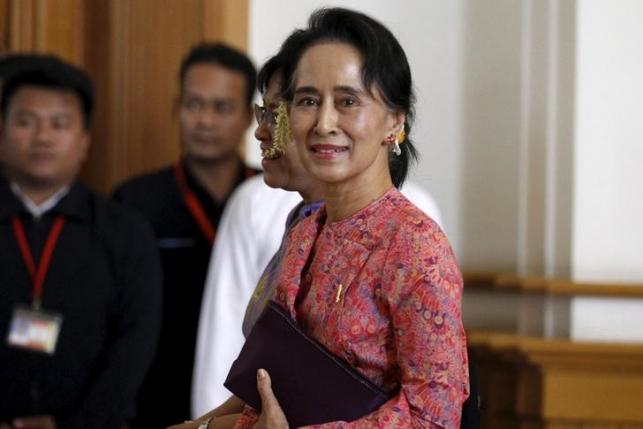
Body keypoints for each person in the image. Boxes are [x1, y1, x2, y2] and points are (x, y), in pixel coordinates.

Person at [236, 8, 469, 428]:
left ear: (395, 122)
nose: (324, 123)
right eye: (308, 101)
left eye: (348, 102)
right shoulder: (308, 230)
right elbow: (277, 383)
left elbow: (434, 415)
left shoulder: (414, 245)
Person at [191, 53, 445, 420]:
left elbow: (432, 409)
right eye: (268, 113)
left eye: (280, 114)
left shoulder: (412, 234)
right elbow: (260, 369)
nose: (263, 132)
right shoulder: (304, 226)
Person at [0, 56, 162, 428]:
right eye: (26, 121)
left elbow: (135, 344)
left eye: (59, 124)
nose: (42, 136)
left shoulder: (124, 232)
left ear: (84, 139)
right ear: (3, 131)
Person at [112, 43, 260, 428]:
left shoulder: (271, 199)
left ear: (249, 116)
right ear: (175, 108)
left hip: (245, 394)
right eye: (194, 104)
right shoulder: (135, 201)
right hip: (154, 394)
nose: (205, 121)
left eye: (222, 108)